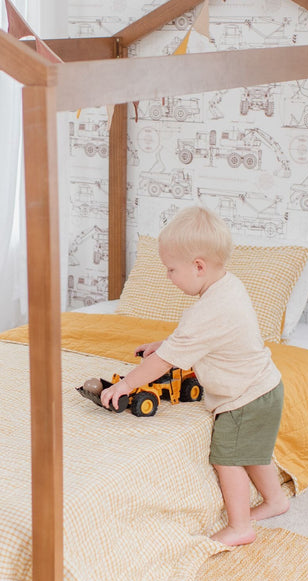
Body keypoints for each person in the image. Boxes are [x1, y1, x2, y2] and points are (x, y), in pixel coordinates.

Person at [101, 206, 288, 546]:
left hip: (243, 398)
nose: (168, 276)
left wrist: (127, 383)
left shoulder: (208, 311)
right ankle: (276, 501)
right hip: (266, 387)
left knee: (227, 457)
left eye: (171, 269)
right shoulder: (229, 287)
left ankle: (239, 526)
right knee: (252, 452)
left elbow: (164, 364)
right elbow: (204, 339)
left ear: (198, 266)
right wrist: (165, 344)